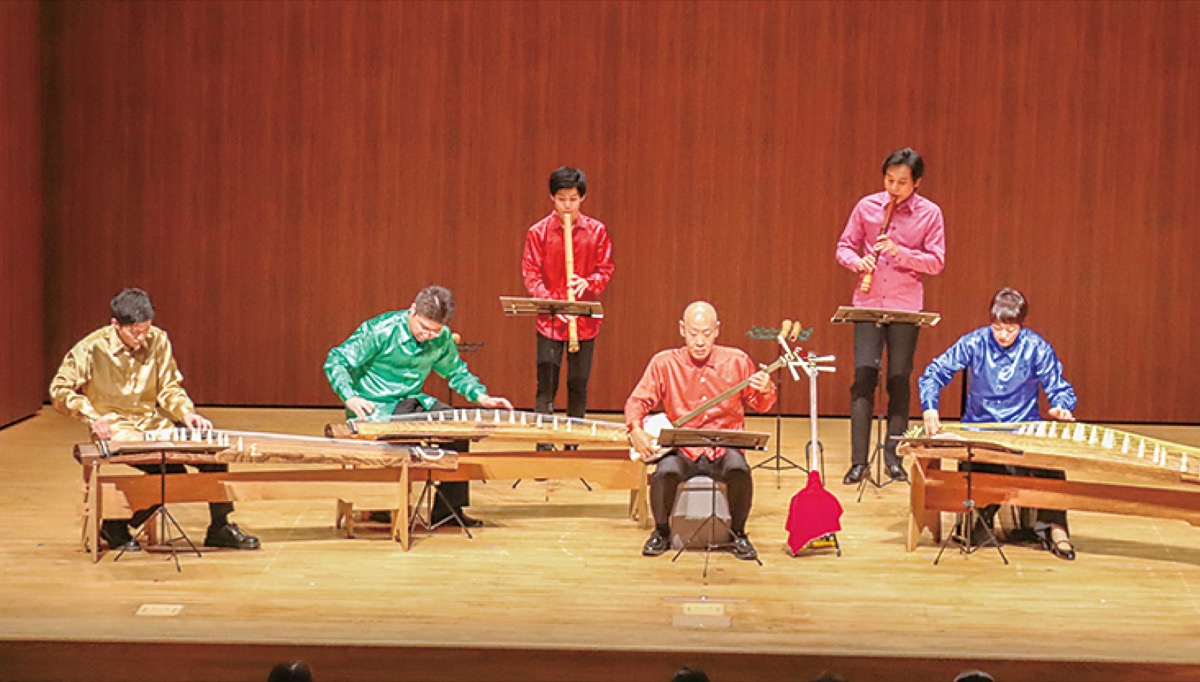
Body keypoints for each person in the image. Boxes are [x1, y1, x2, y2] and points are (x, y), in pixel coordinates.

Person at [49, 288, 260, 552]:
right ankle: (116, 525)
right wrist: (92, 416)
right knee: (172, 474)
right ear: (116, 324)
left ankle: (220, 526)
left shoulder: (158, 339)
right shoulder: (91, 348)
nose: (141, 337)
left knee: (210, 451)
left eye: (145, 329)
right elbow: (59, 390)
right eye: (134, 332)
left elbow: (169, 386)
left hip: (152, 423)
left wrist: (186, 413)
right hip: (115, 428)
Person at [324, 285, 513, 527]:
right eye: (424, 327)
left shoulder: (441, 337)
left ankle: (447, 512)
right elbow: (336, 360)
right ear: (412, 310)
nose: (428, 335)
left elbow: (456, 372)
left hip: (412, 402)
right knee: (402, 435)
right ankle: (385, 504)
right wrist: (350, 396)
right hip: (375, 406)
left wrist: (482, 397)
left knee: (457, 427)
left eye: (435, 331)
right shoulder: (381, 330)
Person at [918, 287, 1078, 560]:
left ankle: (1056, 529)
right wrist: (930, 406)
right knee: (979, 476)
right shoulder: (975, 342)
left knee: (1050, 466)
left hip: (1023, 428)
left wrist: (1062, 406)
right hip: (981, 429)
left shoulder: (1036, 346)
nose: (1003, 335)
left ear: (1021, 326)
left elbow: (1059, 386)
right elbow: (934, 372)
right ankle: (980, 524)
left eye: (1010, 329)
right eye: (997, 328)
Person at [626, 301, 776, 560]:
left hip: (724, 448)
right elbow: (638, 400)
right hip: (683, 449)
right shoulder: (664, 363)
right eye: (693, 333)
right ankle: (661, 532)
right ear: (682, 329)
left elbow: (761, 405)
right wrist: (635, 429)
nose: (699, 341)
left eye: (706, 333)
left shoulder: (737, 360)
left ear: (717, 330)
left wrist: (766, 389)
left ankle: (738, 534)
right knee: (665, 472)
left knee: (739, 470)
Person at [836, 147, 946, 485]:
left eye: (901, 182)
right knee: (863, 380)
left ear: (917, 183)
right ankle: (858, 462)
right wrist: (858, 262)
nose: (894, 188)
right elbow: (844, 247)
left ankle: (893, 458)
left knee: (898, 381)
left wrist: (901, 252)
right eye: (889, 180)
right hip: (868, 302)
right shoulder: (867, 207)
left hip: (905, 305)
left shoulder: (930, 214)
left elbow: (936, 262)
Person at [522, 167, 615, 440]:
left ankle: (574, 444)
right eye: (562, 199)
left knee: (578, 385)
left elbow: (605, 269)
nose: (567, 205)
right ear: (552, 197)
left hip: (584, 321)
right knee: (546, 387)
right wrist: (553, 303)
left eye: (573, 199)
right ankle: (543, 444)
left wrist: (589, 282)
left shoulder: (596, 231)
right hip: (550, 321)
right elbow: (531, 275)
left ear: (581, 198)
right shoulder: (538, 232)